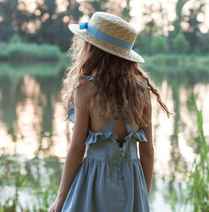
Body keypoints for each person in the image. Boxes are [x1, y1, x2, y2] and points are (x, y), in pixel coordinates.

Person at [49, 12, 171, 212]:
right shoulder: (142, 92)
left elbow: (77, 148)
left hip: (94, 181)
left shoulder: (85, 89)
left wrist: (61, 198)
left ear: (92, 50)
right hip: (133, 182)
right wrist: (142, 197)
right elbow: (148, 152)